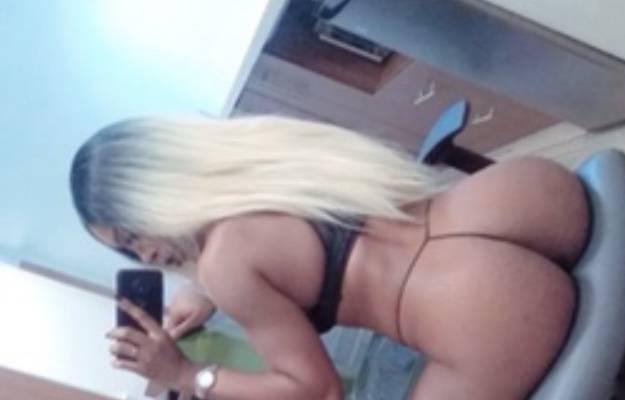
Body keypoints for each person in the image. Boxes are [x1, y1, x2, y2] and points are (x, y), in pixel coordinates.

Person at [70, 115, 589, 400]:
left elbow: (316, 390)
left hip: (487, 309)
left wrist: (187, 375)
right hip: (524, 196)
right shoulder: (258, 148)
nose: (144, 252)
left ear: (153, 197)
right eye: (126, 248)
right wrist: (206, 291)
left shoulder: (225, 266)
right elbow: (290, 243)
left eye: (133, 234)